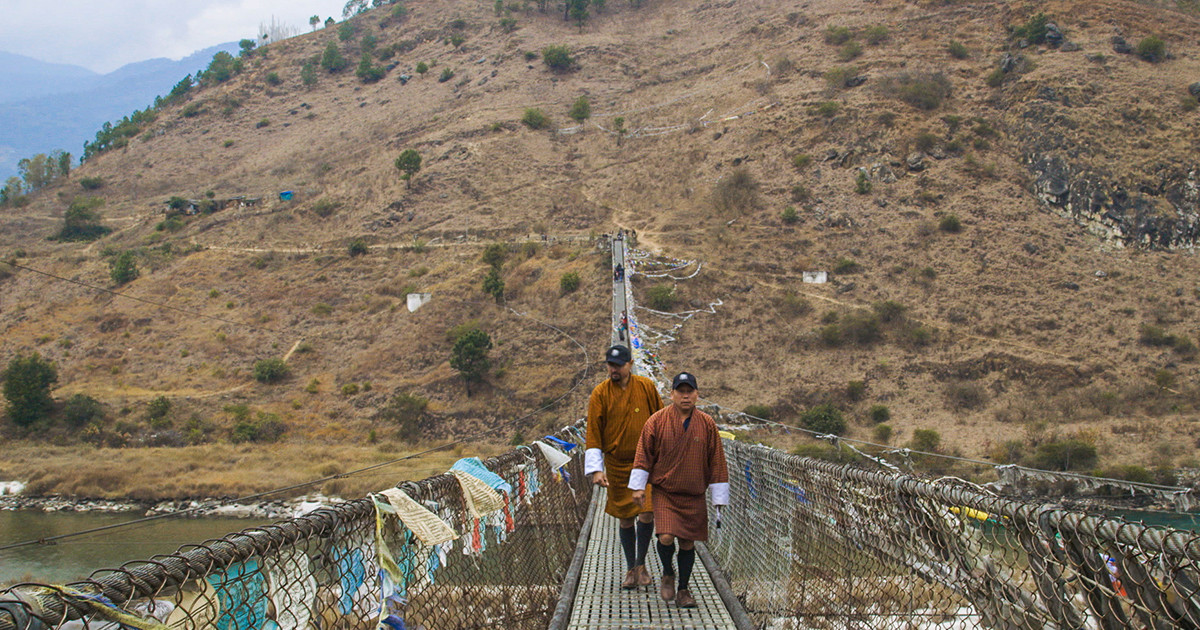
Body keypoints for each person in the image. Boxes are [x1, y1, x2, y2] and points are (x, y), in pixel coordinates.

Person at [630, 372, 728, 608]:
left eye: (690, 391)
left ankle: (683, 589)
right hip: (665, 491)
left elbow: (717, 460)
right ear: (672, 394)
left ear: (696, 394)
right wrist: (638, 487)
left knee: (687, 543)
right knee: (665, 537)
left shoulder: (707, 424)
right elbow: (644, 453)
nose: (685, 396)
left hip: (694, 493)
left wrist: (719, 496)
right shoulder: (656, 421)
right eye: (680, 391)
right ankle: (667, 572)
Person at [585, 344, 665, 589]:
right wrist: (597, 469)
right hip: (617, 464)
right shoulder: (600, 393)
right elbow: (593, 432)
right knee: (625, 517)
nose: (614, 369)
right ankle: (631, 568)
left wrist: (667, 458)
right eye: (610, 364)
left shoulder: (646, 387)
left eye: (618, 364)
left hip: (646, 463)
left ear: (630, 363)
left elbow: (661, 421)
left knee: (647, 511)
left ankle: (640, 565)